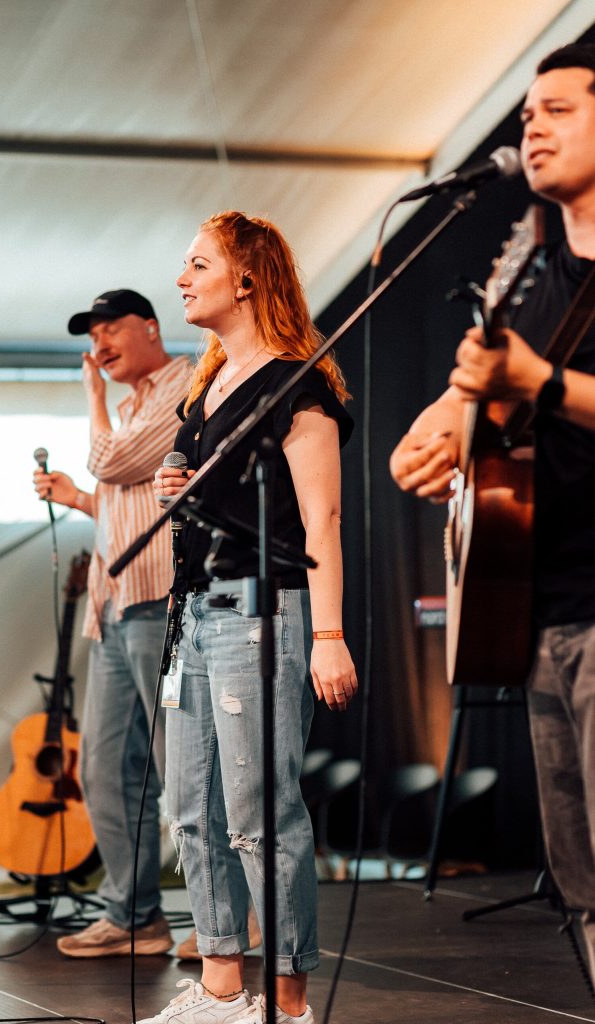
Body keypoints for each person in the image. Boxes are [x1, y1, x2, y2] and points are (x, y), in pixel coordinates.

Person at [390, 43, 595, 982]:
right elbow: (468, 390)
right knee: (579, 879)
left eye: (557, 109)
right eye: (524, 116)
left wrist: (539, 382)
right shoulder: (529, 272)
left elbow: (525, 378)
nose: (531, 128)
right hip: (538, 612)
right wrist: (428, 436)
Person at [138, 211, 358, 1024]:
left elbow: (321, 520)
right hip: (196, 613)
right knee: (191, 810)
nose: (181, 279)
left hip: (263, 612)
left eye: (197, 264)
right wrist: (175, 486)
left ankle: (289, 1003)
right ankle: (222, 986)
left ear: (247, 277)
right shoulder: (206, 389)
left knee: (259, 814)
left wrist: (328, 636)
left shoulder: (296, 384)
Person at [34, 288, 192, 957]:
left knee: (181, 767)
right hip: (111, 607)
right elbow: (127, 503)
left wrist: (92, 396)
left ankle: (230, 917)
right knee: (102, 769)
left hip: (160, 602)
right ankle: (133, 917)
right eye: (91, 335)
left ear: (150, 327)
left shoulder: (181, 385)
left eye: (110, 329)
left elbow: (111, 461)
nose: (98, 344)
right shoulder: (131, 411)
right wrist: (79, 499)